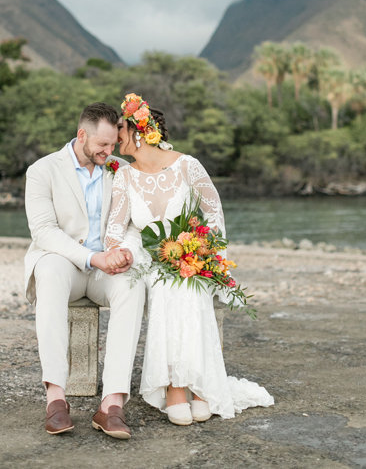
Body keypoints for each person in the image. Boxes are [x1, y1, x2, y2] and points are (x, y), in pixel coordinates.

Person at [104, 93, 274, 425]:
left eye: (120, 131)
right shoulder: (124, 176)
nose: (115, 139)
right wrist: (122, 252)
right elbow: (114, 227)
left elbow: (214, 213)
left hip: (192, 253)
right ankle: (176, 388)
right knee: (168, 285)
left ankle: (200, 388)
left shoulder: (187, 165)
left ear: (138, 131)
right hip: (150, 261)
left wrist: (210, 255)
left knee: (189, 283)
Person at [24, 102, 145, 439]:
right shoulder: (42, 170)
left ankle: (112, 404)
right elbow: (44, 231)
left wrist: (125, 253)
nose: (110, 151)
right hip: (66, 263)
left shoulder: (122, 169)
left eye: (113, 144)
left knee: (134, 284)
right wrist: (93, 258)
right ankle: (56, 399)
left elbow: (135, 225)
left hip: (108, 268)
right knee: (47, 271)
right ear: (82, 135)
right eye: (102, 145)